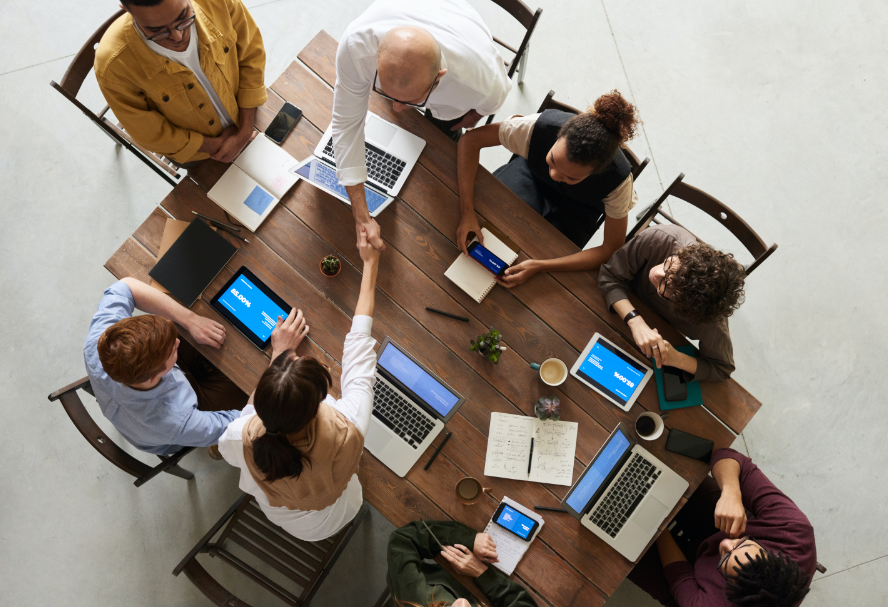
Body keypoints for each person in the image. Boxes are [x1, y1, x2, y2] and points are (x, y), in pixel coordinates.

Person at [219, 228, 381, 541]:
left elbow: (244, 423)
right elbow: (360, 347)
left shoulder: (241, 434)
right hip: (338, 511)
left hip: (291, 523)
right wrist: (371, 263)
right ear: (317, 406)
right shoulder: (348, 426)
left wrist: (278, 353)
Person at [333, 0, 512, 251]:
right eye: (386, 93)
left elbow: (493, 102)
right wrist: (362, 216)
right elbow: (346, 126)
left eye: (409, 101)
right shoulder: (355, 46)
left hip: (460, 31)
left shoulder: (482, 84)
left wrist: (475, 115)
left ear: (439, 78)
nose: (395, 109)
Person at [456, 90, 641, 287]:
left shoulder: (618, 182)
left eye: (570, 177)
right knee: (491, 220)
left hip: (579, 208)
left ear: (596, 173)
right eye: (552, 160)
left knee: (542, 263)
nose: (554, 175)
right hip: (531, 176)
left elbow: (611, 248)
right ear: (558, 136)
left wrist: (541, 266)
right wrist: (466, 211)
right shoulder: (537, 127)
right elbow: (470, 140)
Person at [627, 448, 816, 607]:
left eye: (725, 558)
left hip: (692, 582)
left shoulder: (712, 603)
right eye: (743, 543)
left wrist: (657, 523)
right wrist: (731, 493)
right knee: (678, 473)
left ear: (730, 590)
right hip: (727, 523)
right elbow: (727, 455)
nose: (726, 542)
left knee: (626, 549)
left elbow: (679, 575)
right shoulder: (793, 531)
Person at [84, 278, 248, 456]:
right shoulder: (175, 422)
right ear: (154, 377)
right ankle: (216, 448)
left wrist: (191, 320)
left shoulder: (103, 342)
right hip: (173, 428)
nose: (177, 341)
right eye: (173, 350)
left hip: (141, 404)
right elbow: (243, 426)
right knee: (252, 391)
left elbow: (126, 285)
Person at [95, 0, 267, 166]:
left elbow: (251, 54)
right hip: (200, 153)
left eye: (183, 16)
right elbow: (149, 133)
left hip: (248, 113)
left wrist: (244, 131)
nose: (178, 36)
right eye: (157, 31)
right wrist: (217, 145)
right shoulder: (112, 66)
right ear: (126, 9)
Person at [598, 224, 746, 382]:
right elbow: (610, 276)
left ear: (683, 307)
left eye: (666, 286)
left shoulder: (710, 321)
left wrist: (676, 359)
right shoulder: (661, 238)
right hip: (614, 310)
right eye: (669, 265)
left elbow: (721, 369)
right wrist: (635, 321)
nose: (657, 272)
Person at [387, 520, 538, 607]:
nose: (463, 604)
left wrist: (468, 539)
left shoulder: (413, 598)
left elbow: (403, 540)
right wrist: (482, 574)